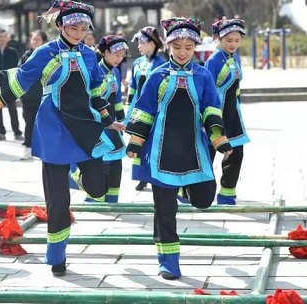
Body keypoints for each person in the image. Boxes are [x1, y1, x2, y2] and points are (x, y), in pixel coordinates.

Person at [0, 0, 125, 277]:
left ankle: (77, 173)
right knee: (58, 202)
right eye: (73, 25)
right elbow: (19, 82)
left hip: (86, 125)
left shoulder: (89, 55)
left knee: (98, 189)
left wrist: (109, 120)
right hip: (54, 127)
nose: (78, 30)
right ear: (61, 24)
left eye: (83, 26)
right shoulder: (44, 53)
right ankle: (57, 255)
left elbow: (97, 92)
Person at [125, 17, 232, 280]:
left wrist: (219, 139)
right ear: (169, 46)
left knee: (205, 198)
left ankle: (184, 187)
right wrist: (136, 142)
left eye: (188, 47)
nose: (183, 52)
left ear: (195, 47)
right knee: (165, 210)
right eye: (177, 46)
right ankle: (168, 261)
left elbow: (211, 108)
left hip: (193, 147)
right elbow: (145, 109)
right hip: (161, 149)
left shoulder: (203, 75)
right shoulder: (157, 75)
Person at [74, 35, 128, 203]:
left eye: (122, 55)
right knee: (101, 166)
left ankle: (112, 201)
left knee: (116, 166)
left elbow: (117, 99)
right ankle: (95, 199)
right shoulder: (94, 72)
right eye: (116, 55)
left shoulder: (116, 72)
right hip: (99, 126)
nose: (119, 59)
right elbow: (91, 100)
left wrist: (123, 120)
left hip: (114, 126)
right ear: (105, 52)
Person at [205, 19, 250, 205]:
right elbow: (206, 89)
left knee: (236, 153)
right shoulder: (213, 60)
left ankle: (227, 193)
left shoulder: (236, 58)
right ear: (220, 39)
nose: (233, 44)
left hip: (233, 114)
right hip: (215, 114)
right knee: (208, 154)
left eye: (237, 40)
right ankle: (192, 191)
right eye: (229, 40)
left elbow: (237, 88)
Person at [127, 26, 166, 191]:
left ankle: (153, 173)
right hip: (138, 109)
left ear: (152, 43)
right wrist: (129, 106)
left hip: (155, 110)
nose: (138, 46)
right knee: (137, 141)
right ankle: (140, 175)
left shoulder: (161, 64)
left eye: (142, 42)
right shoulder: (137, 62)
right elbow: (133, 86)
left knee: (151, 142)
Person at [19, 30, 48, 160]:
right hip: (29, 96)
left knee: (44, 123)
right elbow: (19, 75)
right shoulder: (26, 56)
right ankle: (28, 147)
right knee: (29, 122)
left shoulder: (49, 56)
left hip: (44, 96)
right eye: (33, 39)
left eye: (37, 39)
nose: (34, 42)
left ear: (44, 42)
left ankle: (44, 148)